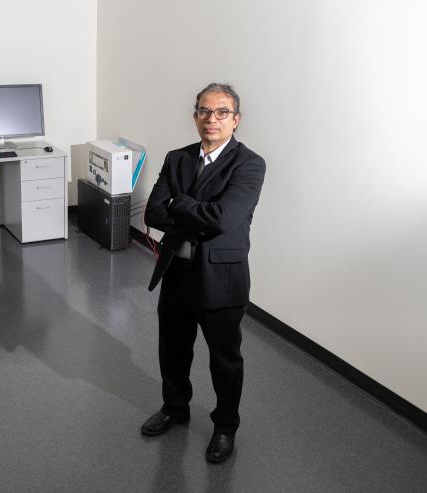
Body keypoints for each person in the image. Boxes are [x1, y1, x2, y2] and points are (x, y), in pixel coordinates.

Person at [141, 83, 265, 463]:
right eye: (204, 111)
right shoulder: (177, 157)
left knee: (224, 359)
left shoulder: (249, 164)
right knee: (173, 350)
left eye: (221, 112)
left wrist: (180, 204)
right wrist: (195, 212)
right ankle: (175, 408)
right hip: (177, 270)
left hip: (221, 278)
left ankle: (225, 427)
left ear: (236, 119)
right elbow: (152, 213)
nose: (211, 119)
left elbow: (225, 218)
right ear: (195, 115)